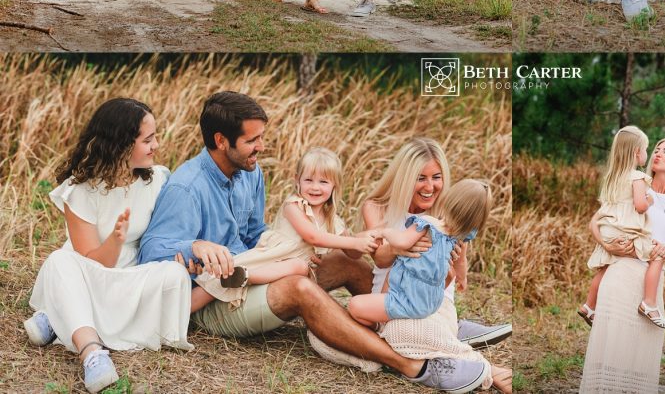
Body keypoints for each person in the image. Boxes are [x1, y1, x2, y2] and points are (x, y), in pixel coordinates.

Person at [138, 92, 488, 392]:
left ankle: (428, 327)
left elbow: (253, 235)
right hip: (215, 299)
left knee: (344, 262)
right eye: (252, 140)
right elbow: (151, 253)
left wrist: (297, 251)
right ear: (220, 141)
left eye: (262, 137)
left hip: (250, 273)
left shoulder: (249, 171)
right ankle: (412, 365)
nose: (262, 146)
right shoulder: (188, 187)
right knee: (298, 287)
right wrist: (195, 247)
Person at [23, 98, 192, 394]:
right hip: (88, 273)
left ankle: (59, 317)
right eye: (148, 140)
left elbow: (168, 235)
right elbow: (94, 261)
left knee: (174, 276)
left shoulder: (159, 179)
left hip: (130, 280)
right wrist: (115, 239)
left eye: (155, 137)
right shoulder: (80, 191)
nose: (156, 145)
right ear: (121, 145)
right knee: (59, 262)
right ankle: (92, 353)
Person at [361, 137, 513, 349]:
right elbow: (379, 260)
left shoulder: (448, 214)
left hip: (435, 298)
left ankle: (455, 334)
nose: (430, 187)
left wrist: (456, 274)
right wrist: (399, 247)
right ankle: (457, 337)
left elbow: (459, 262)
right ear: (404, 177)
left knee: (411, 333)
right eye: (420, 178)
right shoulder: (377, 208)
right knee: (395, 333)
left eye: (436, 177)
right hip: (393, 294)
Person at [190, 147, 382, 310]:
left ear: (335, 185)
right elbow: (313, 237)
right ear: (297, 180)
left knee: (299, 266)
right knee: (211, 286)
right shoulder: (294, 205)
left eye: (323, 182)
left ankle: (244, 277)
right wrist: (354, 241)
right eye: (309, 180)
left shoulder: (334, 221)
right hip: (270, 258)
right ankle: (177, 316)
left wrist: (364, 241)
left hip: (289, 270)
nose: (315, 187)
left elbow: (352, 254)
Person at [579, 137, 665, 393]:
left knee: (641, 354)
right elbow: (595, 222)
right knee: (614, 350)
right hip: (621, 273)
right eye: (657, 150)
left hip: (652, 284)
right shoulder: (639, 187)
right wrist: (608, 246)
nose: (658, 154)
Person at [349, 179, 492, 327]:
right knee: (393, 276)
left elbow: (401, 242)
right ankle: (384, 315)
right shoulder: (461, 238)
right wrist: (462, 279)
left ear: (448, 200)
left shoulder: (428, 224)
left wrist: (384, 232)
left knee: (354, 305)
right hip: (431, 302)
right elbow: (460, 263)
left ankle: (377, 325)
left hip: (407, 298)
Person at [579, 126, 665, 329]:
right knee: (657, 255)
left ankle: (589, 306)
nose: (648, 153)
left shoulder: (612, 177)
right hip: (625, 233)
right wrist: (649, 201)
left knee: (605, 267)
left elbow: (606, 208)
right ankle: (649, 303)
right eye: (646, 148)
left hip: (608, 231)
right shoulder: (637, 177)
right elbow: (639, 206)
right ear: (637, 152)